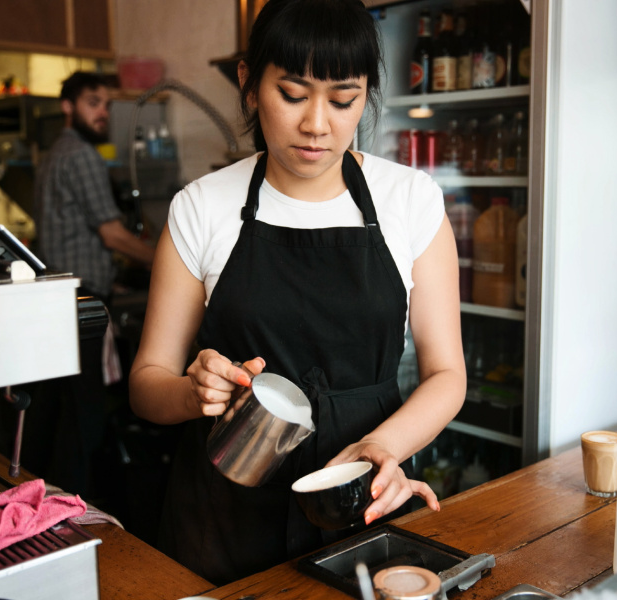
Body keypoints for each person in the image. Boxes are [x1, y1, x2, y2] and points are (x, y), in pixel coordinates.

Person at [129, 0, 466, 585]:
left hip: (360, 497)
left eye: (343, 100)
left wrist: (381, 446)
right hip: (225, 514)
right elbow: (145, 384)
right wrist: (190, 391)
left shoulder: (411, 201)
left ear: (366, 95)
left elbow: (447, 375)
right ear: (249, 83)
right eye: (292, 94)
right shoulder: (202, 207)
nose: (317, 124)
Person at [28, 72, 155, 498]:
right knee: (84, 416)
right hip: (78, 301)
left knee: (52, 410)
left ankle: (39, 502)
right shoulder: (82, 155)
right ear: (68, 106)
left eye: (106, 105)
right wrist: (170, 262)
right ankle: (73, 509)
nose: (102, 112)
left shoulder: (53, 154)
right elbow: (113, 235)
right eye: (92, 103)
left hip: (54, 296)